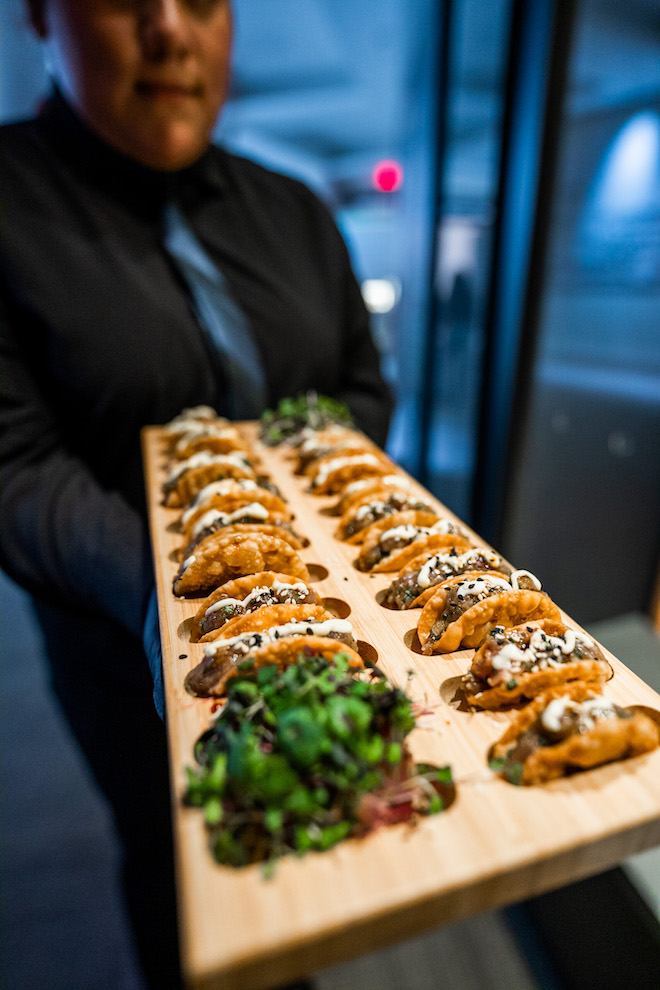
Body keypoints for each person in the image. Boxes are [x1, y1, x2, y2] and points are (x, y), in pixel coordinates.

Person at [0, 2, 392, 988]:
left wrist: (323, 513)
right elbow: (16, 463)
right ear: (40, 14)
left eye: (205, 2)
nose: (171, 31)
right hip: (121, 636)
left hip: (333, 600)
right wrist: (179, 599)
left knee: (329, 839)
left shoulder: (297, 210)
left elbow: (361, 382)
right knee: (188, 877)